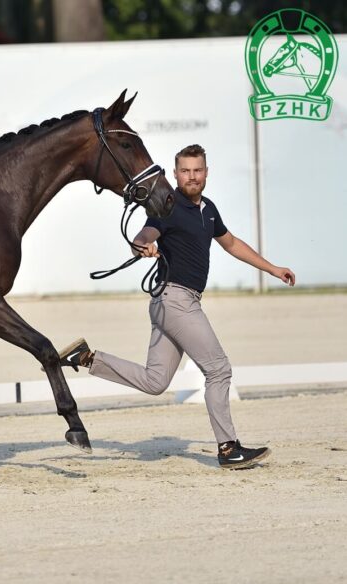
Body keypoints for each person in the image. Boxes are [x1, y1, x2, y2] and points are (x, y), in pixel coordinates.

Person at [59, 144, 295, 470]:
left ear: (206, 173)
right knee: (218, 370)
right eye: (185, 171)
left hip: (169, 304)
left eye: (197, 170)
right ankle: (228, 449)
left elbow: (232, 243)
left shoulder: (209, 209)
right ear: (175, 174)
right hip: (177, 301)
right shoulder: (167, 208)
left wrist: (272, 269)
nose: (192, 176)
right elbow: (144, 234)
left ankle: (86, 358)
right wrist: (143, 245)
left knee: (156, 382)